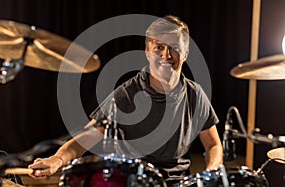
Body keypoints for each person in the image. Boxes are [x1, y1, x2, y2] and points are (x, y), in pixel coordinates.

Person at [28, 15, 223, 184]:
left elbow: (213, 144)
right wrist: (57, 159)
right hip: (136, 181)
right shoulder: (127, 93)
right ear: (147, 53)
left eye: (174, 48)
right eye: (158, 47)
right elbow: (86, 138)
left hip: (177, 182)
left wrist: (211, 172)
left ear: (186, 53)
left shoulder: (195, 94)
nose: (166, 54)